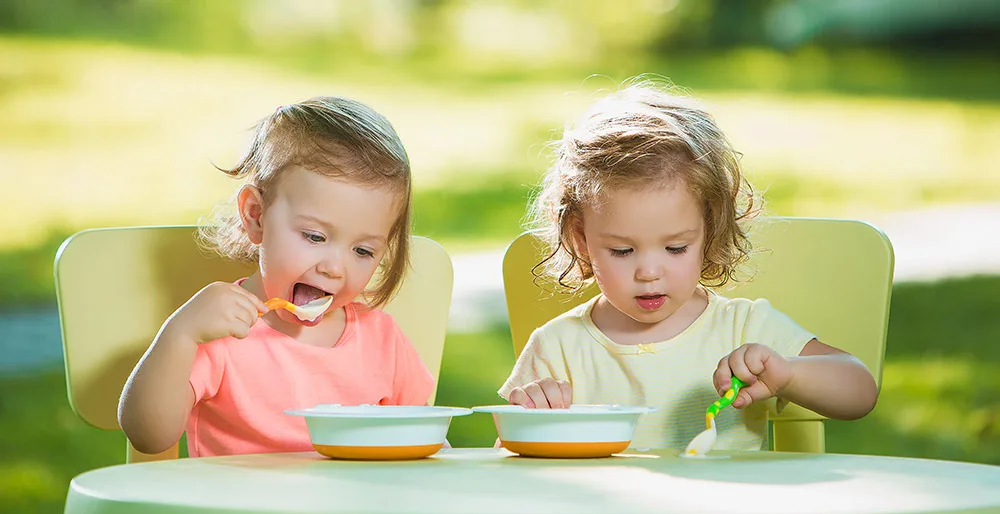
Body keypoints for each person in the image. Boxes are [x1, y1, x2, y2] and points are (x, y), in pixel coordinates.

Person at [499, 81, 878, 451]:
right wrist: (533, 423)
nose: (649, 272)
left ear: (709, 230)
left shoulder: (743, 328)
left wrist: (790, 374)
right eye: (622, 251)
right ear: (581, 238)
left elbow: (860, 391)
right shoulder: (557, 349)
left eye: (676, 248)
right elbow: (508, 463)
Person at [119, 97, 435, 457]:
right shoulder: (219, 330)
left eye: (363, 251)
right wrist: (180, 334)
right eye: (314, 237)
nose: (334, 268)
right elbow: (149, 436)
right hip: (236, 496)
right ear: (256, 215)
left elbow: (423, 443)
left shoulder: (382, 340)